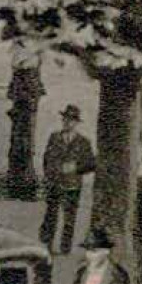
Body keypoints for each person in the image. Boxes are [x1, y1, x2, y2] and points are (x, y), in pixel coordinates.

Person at [41, 105, 97, 255]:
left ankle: (65, 249)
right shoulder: (54, 137)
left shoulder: (84, 142)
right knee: (50, 216)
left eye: (71, 120)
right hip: (55, 183)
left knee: (69, 219)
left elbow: (91, 163)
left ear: (76, 123)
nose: (67, 123)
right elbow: (46, 159)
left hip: (73, 185)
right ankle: (46, 247)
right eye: (65, 119)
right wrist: (50, 176)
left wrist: (75, 168)